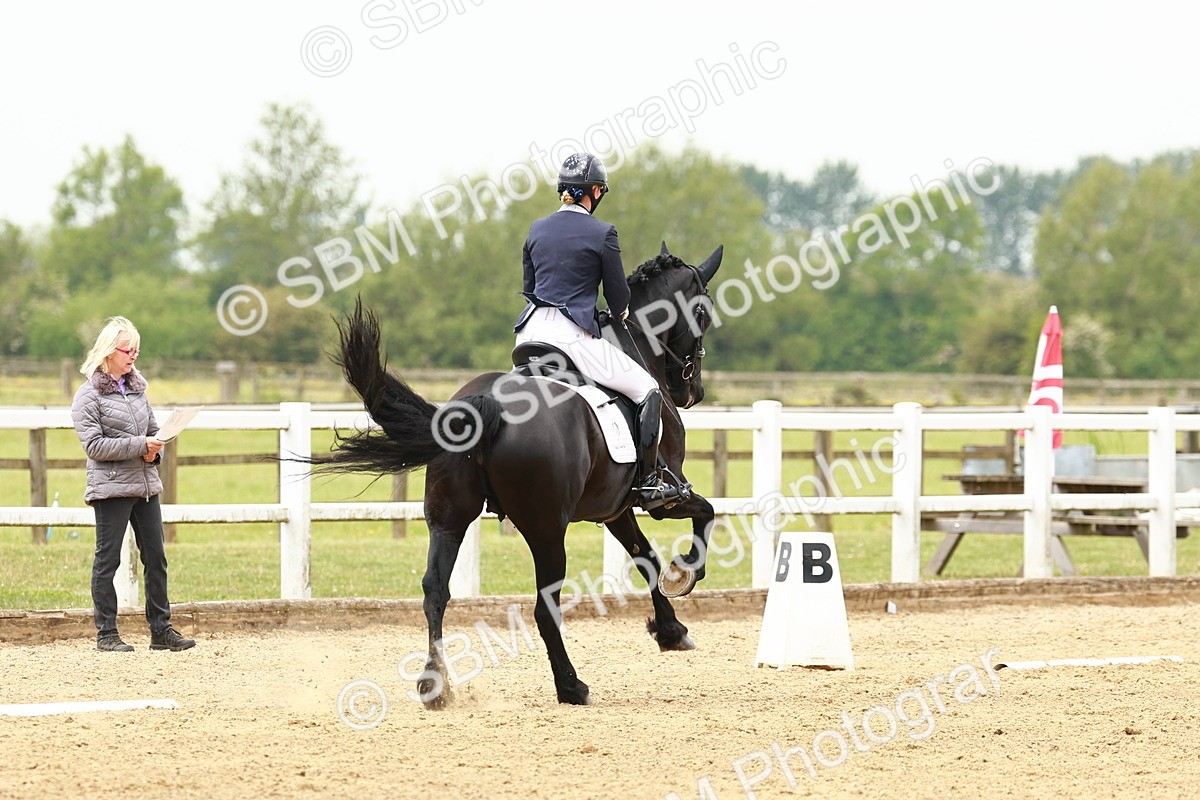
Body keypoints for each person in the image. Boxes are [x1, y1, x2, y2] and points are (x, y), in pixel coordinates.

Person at [514, 152, 688, 509]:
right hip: (571, 337)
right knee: (649, 389)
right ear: (594, 192)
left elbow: (530, 284)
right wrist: (620, 312)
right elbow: (617, 295)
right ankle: (649, 482)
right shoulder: (602, 233)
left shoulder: (536, 229)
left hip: (528, 334)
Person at [70, 316, 195, 652]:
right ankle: (106, 633)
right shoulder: (87, 397)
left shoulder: (139, 390)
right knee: (107, 560)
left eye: (137, 351)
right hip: (110, 489)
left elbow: (153, 432)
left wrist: (155, 452)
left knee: (156, 557)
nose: (133, 356)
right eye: (129, 350)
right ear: (110, 351)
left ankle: (161, 629)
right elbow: (94, 447)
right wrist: (141, 446)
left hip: (145, 486)